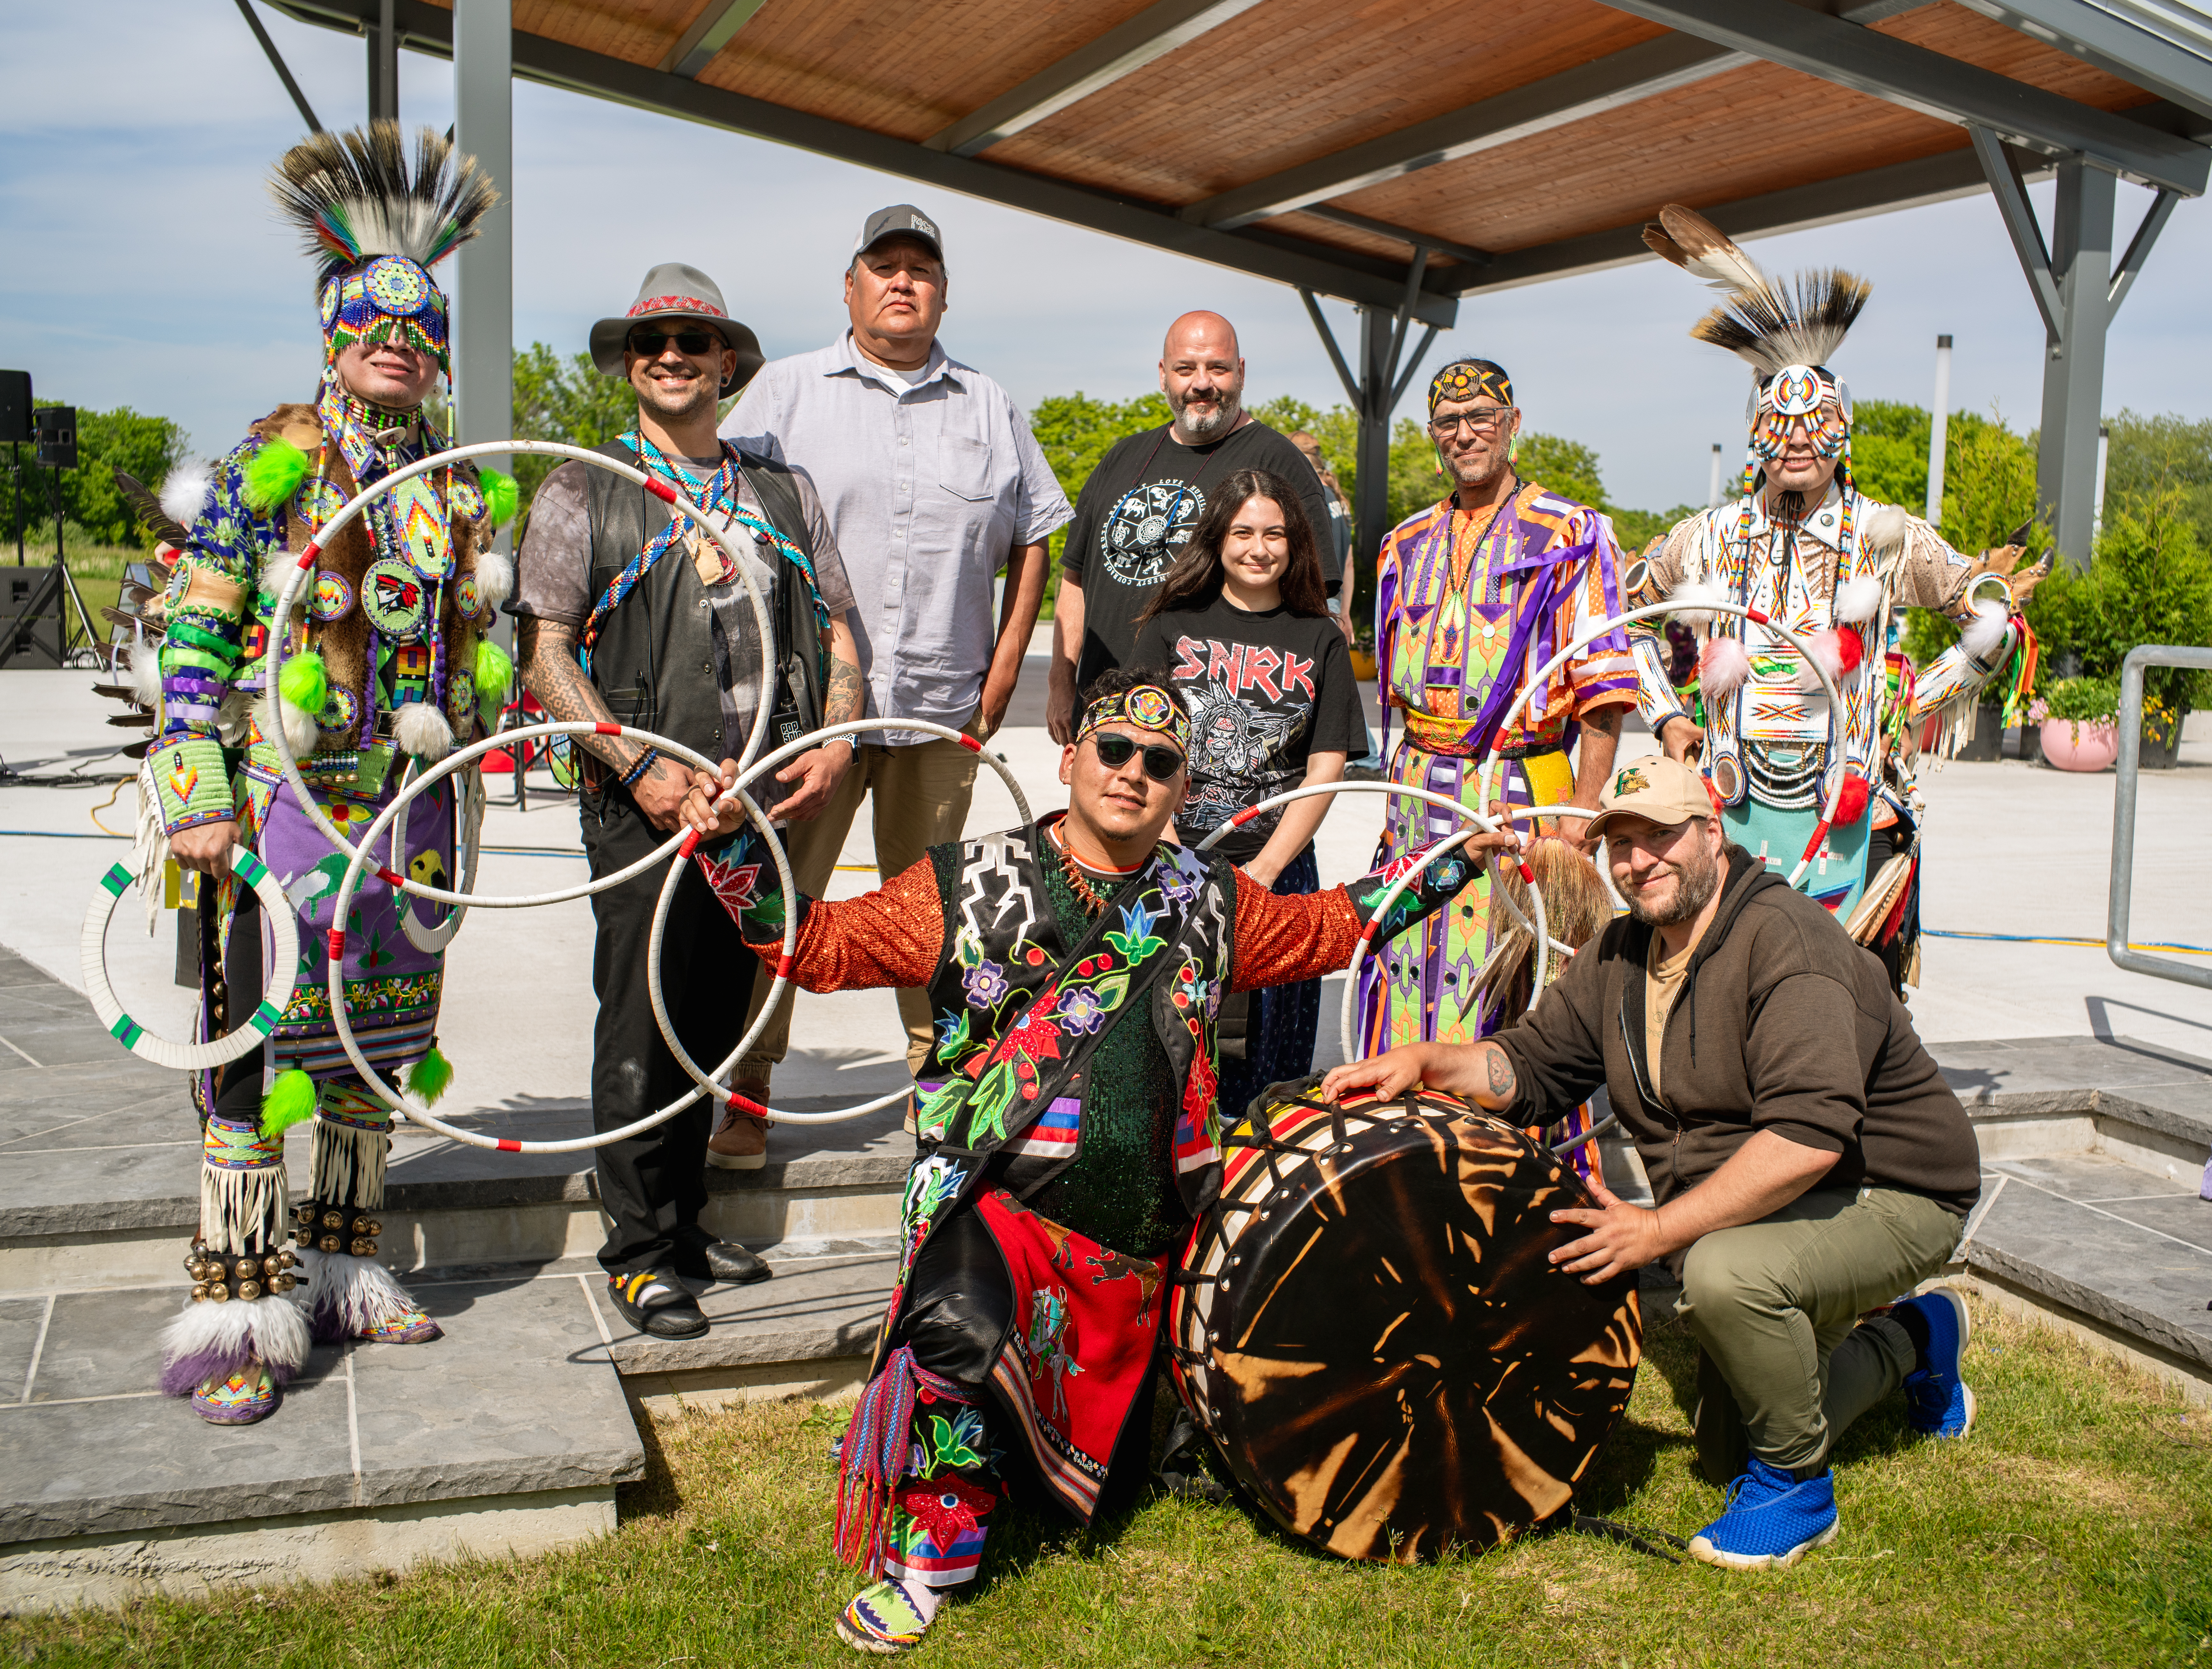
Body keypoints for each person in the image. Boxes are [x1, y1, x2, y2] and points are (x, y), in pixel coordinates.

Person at [675, 670, 1488, 1652]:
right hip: (993, 1204)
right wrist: (730, 846)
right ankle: (933, 1557)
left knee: (1110, 1481)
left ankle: (1071, 1447)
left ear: (1184, 790)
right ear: (1069, 760)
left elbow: (1334, 926)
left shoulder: (1214, 902)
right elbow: (817, 947)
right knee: (954, 1329)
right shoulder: (961, 884)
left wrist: (1460, 858)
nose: (1133, 774)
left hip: (1140, 1242)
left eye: (1161, 763)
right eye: (1114, 751)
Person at [1325, 754, 1981, 1572]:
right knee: (1723, 1446)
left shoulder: (1787, 942)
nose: (1639, 862)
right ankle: (1918, 1336)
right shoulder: (1620, 952)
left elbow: (1809, 1136)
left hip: (1887, 1184)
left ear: (1713, 834)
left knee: (1723, 1278)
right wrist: (1430, 1062)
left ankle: (1798, 1491)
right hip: (1785, 1186)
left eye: (1661, 836)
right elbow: (1532, 1064)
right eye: (1621, 844)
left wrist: (1658, 1229)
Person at [142, 123, 505, 1423]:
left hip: (407, 816)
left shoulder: (458, 496)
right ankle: (243, 1305)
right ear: (334, 334)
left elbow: (475, 643)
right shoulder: (268, 469)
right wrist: (193, 780)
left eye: (420, 331)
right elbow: (193, 630)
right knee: (257, 1053)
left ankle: (347, 1264)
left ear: (440, 351)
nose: (396, 346)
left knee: (377, 1051)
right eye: (373, 326)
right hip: (274, 814)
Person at [510, 263, 863, 1339]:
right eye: (652, 340)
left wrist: (838, 738)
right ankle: (639, 1250)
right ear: (631, 363)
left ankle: (689, 1219)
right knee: (642, 1023)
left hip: (758, 803)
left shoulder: (782, 492)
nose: (672, 355)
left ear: (727, 366)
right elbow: (545, 653)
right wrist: (641, 770)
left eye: (692, 341)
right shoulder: (583, 486)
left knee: (716, 1017)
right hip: (647, 808)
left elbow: (841, 627)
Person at [1628, 206, 2044, 994]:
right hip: (1729, 794)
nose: (1795, 438)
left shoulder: (1889, 539)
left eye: (1814, 420)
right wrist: (1668, 717)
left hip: (1851, 802)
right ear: (1754, 431)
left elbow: (1993, 621)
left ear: (1841, 428)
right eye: (1778, 421)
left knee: (1843, 989)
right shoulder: (1705, 536)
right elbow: (1625, 623)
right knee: (1722, 978)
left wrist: (1910, 705)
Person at [721, 204, 1072, 1114]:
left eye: (921, 269)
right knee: (781, 897)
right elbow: (717, 515)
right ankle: (750, 1085)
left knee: (933, 905)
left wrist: (1003, 670)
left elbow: (1035, 533)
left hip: (938, 709)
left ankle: (941, 1083)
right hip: (807, 717)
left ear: (945, 295)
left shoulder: (988, 404)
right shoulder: (784, 393)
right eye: (884, 267)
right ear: (851, 286)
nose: (902, 282)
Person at [1356, 357, 1638, 1163]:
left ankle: (1517, 1177)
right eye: (1449, 422)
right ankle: (1407, 1156)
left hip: (1523, 782)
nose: (1465, 434)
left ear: (1515, 424)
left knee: (1518, 981)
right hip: (1417, 795)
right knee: (1405, 961)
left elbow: (1603, 693)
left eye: (1481, 416)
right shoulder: (1403, 543)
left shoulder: (1570, 532)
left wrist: (1579, 821)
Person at [1130, 468, 1368, 1124]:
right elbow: (1139, 743)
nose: (1258, 547)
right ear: (1217, 537)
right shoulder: (1170, 624)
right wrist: (1170, 850)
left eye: (1275, 533)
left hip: (1279, 868)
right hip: (1169, 861)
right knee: (1166, 1042)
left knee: (1269, 1056)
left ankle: (1255, 1185)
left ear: (1295, 545)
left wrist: (1266, 868)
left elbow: (1325, 766)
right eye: (1242, 531)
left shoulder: (1317, 636)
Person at [1050, 312, 1343, 737]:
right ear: (1163, 376)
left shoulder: (1279, 464)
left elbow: (1311, 603)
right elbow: (1076, 580)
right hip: (1105, 719)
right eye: (1185, 369)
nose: (1201, 383)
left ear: (1241, 372)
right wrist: (1062, 680)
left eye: (1218, 368)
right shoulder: (1122, 457)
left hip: (1213, 735)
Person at [1287, 428, 1353, 582]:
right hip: (1334, 597)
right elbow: (1349, 564)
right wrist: (1343, 606)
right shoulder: (1340, 500)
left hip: (1310, 594)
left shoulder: (1309, 496)